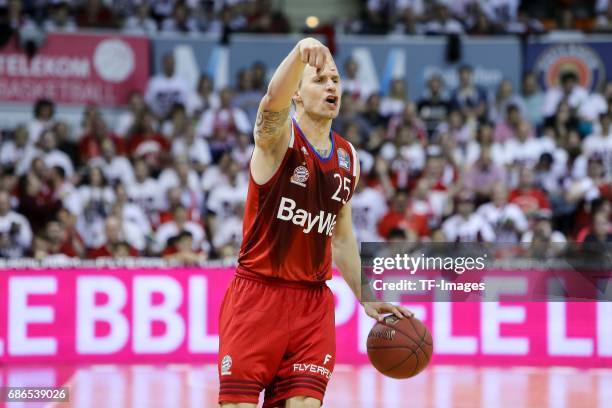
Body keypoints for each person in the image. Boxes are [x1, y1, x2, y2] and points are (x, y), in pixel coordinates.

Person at [217, 37, 411, 408]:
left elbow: (341, 238)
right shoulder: (277, 138)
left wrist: (366, 296)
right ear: (298, 95)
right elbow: (271, 99)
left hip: (313, 304)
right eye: (319, 80)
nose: (331, 86)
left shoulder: (348, 157)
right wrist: (300, 50)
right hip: (258, 296)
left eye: (335, 80)